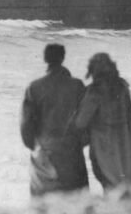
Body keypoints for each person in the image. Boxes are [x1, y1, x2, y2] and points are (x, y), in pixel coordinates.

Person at [20, 44, 88, 196]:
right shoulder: (77, 85)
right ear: (63, 58)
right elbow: (87, 119)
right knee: (76, 200)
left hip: (45, 151)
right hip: (71, 151)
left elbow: (26, 126)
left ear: (45, 59)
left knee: (44, 200)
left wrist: (34, 146)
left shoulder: (34, 87)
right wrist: (80, 143)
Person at [73, 53, 131, 189]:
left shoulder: (94, 91)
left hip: (104, 144)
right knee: (128, 182)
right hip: (127, 140)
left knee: (109, 181)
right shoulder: (123, 86)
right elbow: (130, 113)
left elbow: (81, 122)